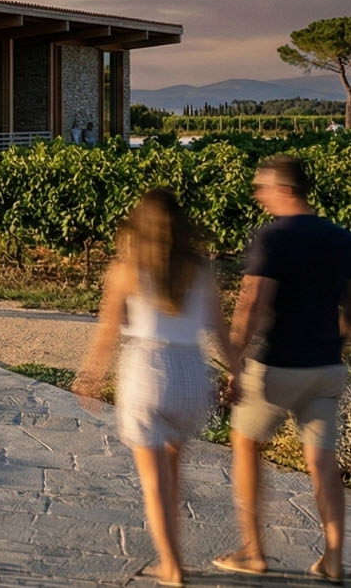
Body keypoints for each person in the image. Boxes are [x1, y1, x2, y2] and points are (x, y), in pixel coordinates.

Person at [74, 189, 235, 588]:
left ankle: (172, 566)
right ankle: (174, 555)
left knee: (153, 482)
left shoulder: (126, 269)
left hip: (147, 371)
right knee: (173, 473)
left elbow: (108, 331)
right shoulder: (200, 269)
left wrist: (91, 376)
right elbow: (220, 330)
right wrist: (239, 373)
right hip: (191, 374)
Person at [215, 155, 351, 582]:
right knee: (322, 461)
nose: (259, 195)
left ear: (286, 190)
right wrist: (338, 341)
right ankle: (333, 558)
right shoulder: (342, 237)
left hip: (276, 366)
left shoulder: (273, 237)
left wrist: (235, 362)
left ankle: (253, 552)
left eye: (264, 188)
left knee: (244, 443)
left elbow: (253, 303)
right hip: (326, 367)